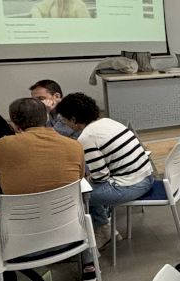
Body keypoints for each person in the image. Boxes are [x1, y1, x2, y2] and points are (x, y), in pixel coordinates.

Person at [0, 98, 92, 281]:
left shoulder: (3, 146)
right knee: (81, 205)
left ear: (13, 124)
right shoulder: (74, 146)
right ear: (47, 117)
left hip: (21, 244)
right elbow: (79, 180)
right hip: (72, 235)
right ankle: (88, 263)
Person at [55, 92, 155, 249]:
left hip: (132, 186)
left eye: (65, 120)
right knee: (86, 187)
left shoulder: (87, 137)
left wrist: (86, 179)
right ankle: (105, 227)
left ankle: (102, 230)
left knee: (77, 194)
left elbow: (100, 177)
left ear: (73, 120)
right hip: (147, 177)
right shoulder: (108, 121)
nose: (65, 123)